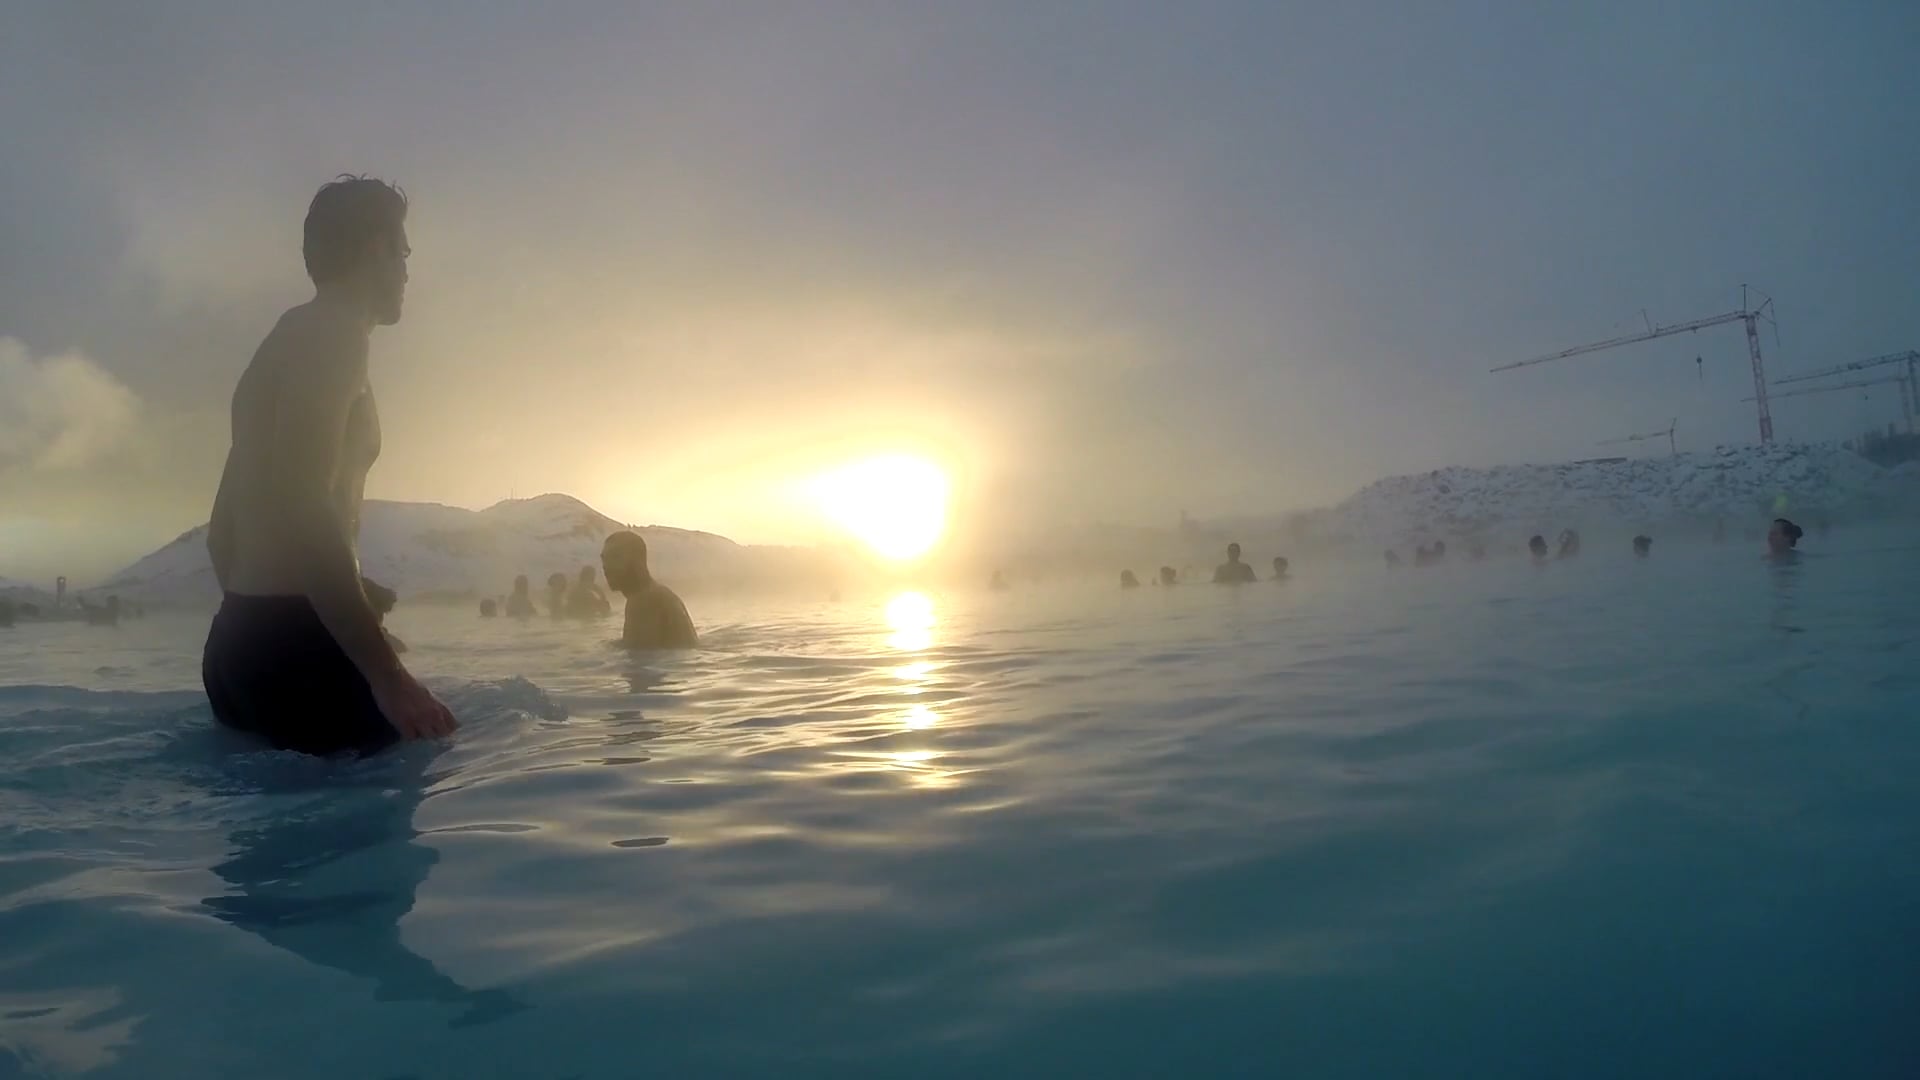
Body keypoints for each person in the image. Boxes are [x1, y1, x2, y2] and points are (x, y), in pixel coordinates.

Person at [200, 176, 455, 756]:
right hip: (296, 650)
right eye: (404, 252)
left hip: (239, 646)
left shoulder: (287, 338)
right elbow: (302, 499)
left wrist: (267, 624)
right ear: (374, 248)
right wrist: (386, 674)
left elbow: (223, 533)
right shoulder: (336, 334)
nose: (408, 272)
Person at [601, 530, 697, 649]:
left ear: (638, 560)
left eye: (615, 557)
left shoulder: (645, 601)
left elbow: (641, 662)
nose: (605, 566)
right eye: (604, 559)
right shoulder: (655, 594)